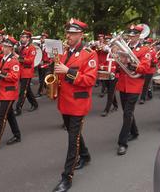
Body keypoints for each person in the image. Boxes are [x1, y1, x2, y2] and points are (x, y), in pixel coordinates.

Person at [52, 19, 98, 192]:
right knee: (74, 132)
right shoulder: (64, 52)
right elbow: (60, 72)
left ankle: (67, 178)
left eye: (72, 33)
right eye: (68, 33)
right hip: (65, 101)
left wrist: (68, 71)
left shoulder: (89, 54)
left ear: (81, 35)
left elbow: (90, 80)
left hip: (79, 102)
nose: (68, 36)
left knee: (73, 139)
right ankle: (85, 155)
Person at [115, 24, 150, 155]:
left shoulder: (144, 49)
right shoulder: (125, 48)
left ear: (139, 36)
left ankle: (122, 143)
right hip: (123, 84)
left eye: (133, 35)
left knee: (127, 113)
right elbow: (118, 65)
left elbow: (145, 68)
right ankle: (134, 132)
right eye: (129, 35)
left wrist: (129, 63)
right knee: (127, 112)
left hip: (135, 85)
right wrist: (118, 61)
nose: (130, 37)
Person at [14, 30, 38, 116]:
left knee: (23, 91)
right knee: (27, 90)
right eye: (21, 37)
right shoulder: (21, 47)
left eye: (24, 37)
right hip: (21, 71)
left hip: (27, 72)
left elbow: (30, 61)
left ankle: (18, 108)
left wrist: (18, 57)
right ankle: (35, 104)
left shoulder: (32, 48)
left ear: (28, 39)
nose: (22, 38)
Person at [100, 35, 119, 117]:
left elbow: (120, 68)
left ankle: (106, 110)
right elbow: (104, 63)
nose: (113, 49)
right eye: (113, 48)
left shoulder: (119, 57)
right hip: (107, 75)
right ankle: (115, 105)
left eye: (115, 48)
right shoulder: (108, 55)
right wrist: (101, 66)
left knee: (110, 93)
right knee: (110, 91)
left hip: (114, 77)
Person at [139, 38, 158, 104]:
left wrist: (150, 61)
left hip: (149, 70)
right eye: (146, 43)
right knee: (143, 84)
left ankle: (142, 98)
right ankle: (149, 93)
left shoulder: (153, 51)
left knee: (145, 84)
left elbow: (155, 62)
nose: (147, 44)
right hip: (142, 69)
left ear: (151, 44)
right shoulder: (142, 50)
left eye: (148, 43)